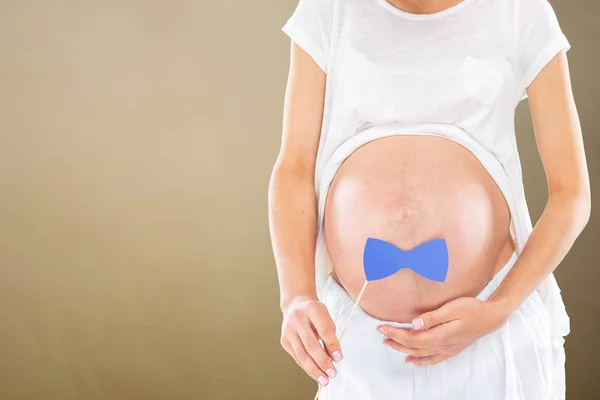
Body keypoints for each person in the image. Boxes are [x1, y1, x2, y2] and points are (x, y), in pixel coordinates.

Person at [268, 0, 590, 398]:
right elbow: (294, 167)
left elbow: (572, 194)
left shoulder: (520, 10)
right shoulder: (330, 8)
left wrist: (498, 309)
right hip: (358, 338)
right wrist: (296, 295)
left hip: (488, 333)